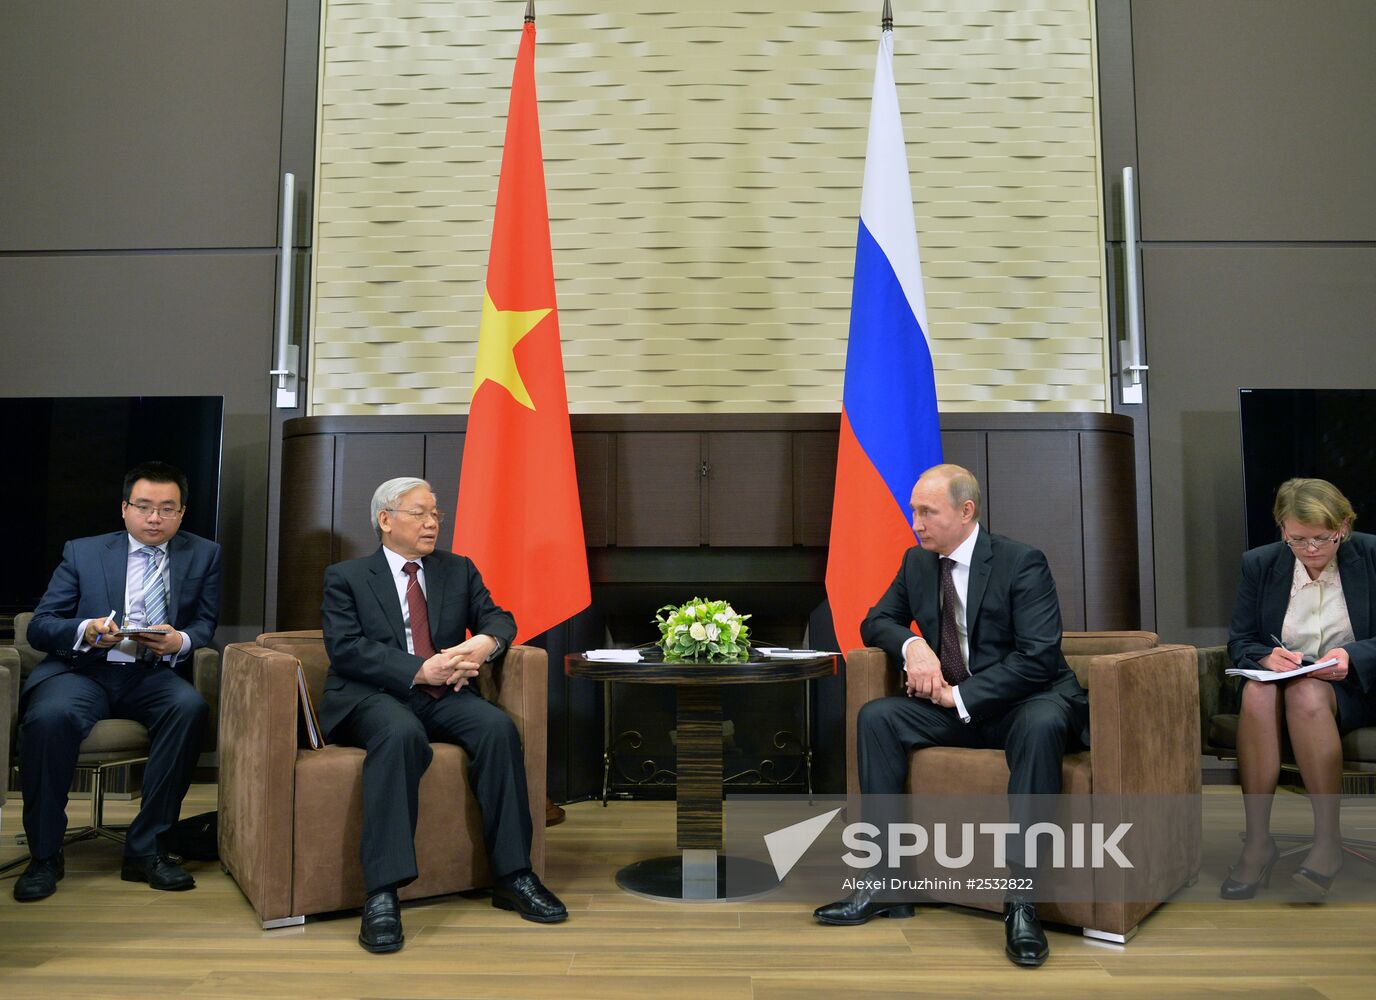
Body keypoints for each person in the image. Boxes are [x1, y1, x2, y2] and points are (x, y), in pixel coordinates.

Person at [814, 464, 1088, 968]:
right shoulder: (918, 563)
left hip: (1023, 702)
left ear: (966, 511)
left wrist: (961, 698)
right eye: (913, 509)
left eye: (926, 511)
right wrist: (914, 646)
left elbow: (1039, 657)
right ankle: (883, 883)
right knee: (878, 718)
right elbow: (875, 620)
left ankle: (1021, 900)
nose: (915, 521)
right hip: (954, 705)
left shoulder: (1020, 562)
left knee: (1043, 722)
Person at [320, 476, 566, 955]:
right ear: (385, 520)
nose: (432, 522)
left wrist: (484, 643)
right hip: (371, 696)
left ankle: (514, 875)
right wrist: (419, 668)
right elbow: (345, 649)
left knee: (497, 728)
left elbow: (499, 618)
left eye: (436, 514)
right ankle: (383, 893)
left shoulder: (458, 570)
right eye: (419, 513)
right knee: (400, 734)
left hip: (446, 692)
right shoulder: (346, 577)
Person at [14, 462, 218, 901]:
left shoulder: (204, 554)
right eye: (143, 507)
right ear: (124, 508)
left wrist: (180, 641)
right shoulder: (83, 552)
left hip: (152, 674)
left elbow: (205, 623)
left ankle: (146, 851)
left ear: (182, 513)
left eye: (167, 509)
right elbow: (41, 625)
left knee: (190, 708)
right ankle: (45, 855)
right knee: (50, 716)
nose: (154, 518)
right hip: (82, 670)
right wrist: (85, 629)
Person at [1222, 477, 1376, 899]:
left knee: (1306, 693)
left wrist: (1353, 657)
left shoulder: (1372, 554)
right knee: (1258, 690)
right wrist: (1265, 658)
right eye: (1298, 539)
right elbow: (1240, 640)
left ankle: (1328, 842)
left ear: (1342, 526)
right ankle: (1257, 842)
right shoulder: (1261, 564)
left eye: (1322, 538)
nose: (1311, 550)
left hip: (1357, 687)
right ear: (1282, 529)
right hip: (1282, 683)